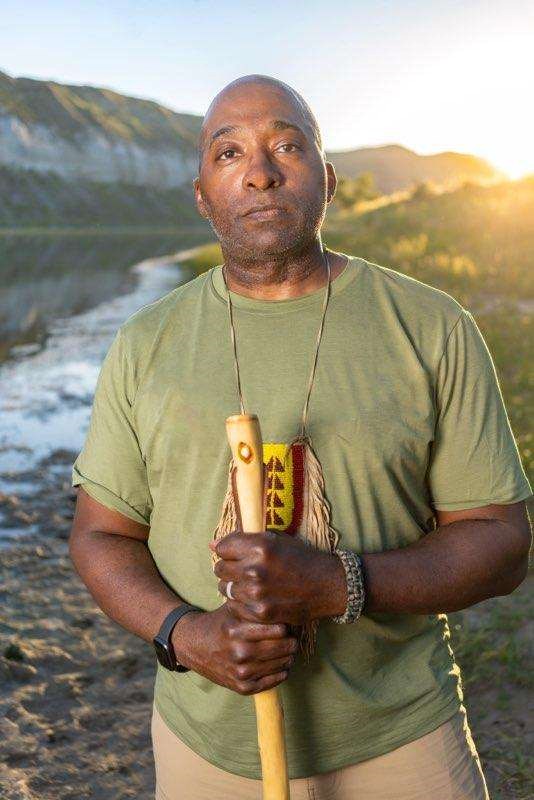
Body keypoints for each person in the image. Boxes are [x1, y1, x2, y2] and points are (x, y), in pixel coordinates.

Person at [68, 74, 532, 800]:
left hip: (403, 734)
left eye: (288, 145)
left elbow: (501, 545)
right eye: (228, 154)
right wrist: (187, 635)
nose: (260, 171)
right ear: (201, 195)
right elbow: (100, 537)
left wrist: (338, 583)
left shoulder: (433, 327)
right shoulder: (143, 344)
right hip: (206, 748)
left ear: (329, 180)